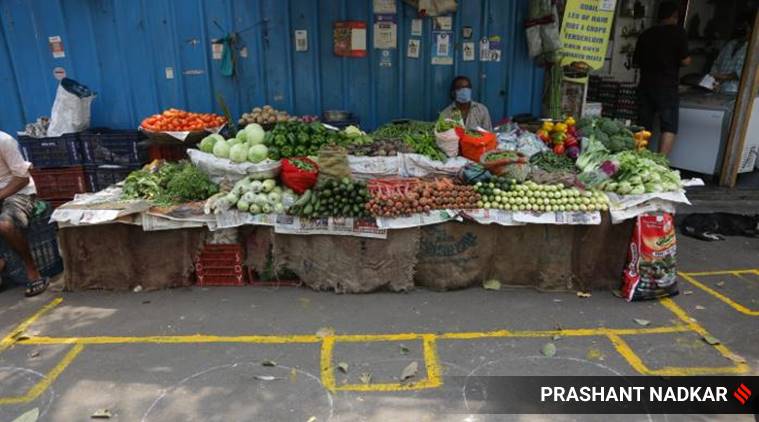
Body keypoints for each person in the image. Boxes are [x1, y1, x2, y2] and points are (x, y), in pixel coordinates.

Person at [633, 1, 691, 156]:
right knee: (669, 125)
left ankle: (637, 156)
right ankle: (661, 162)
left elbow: (636, 62)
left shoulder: (646, 34)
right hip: (666, 87)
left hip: (645, 85)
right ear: (674, 15)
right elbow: (685, 60)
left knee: (643, 125)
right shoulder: (679, 33)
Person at [0, 131, 48, 297]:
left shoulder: (4, 141)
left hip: (18, 191)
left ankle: (32, 271)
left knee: (5, 225)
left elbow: (22, 178)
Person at [710, 20, 750, 94]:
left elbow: (743, 72)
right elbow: (717, 63)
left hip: (735, 91)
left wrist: (723, 77)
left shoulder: (752, 48)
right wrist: (714, 79)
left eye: (746, 29)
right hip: (718, 89)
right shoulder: (730, 44)